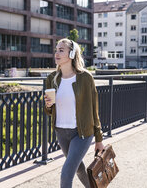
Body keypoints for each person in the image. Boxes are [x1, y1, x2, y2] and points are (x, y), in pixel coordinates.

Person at [44, 38, 104, 188]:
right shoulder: (51, 79)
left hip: (82, 133)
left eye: (61, 50)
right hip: (61, 131)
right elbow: (49, 111)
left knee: (66, 174)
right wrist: (48, 105)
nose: (57, 53)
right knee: (78, 168)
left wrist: (99, 138)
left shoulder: (85, 78)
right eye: (56, 50)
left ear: (71, 54)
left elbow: (93, 109)